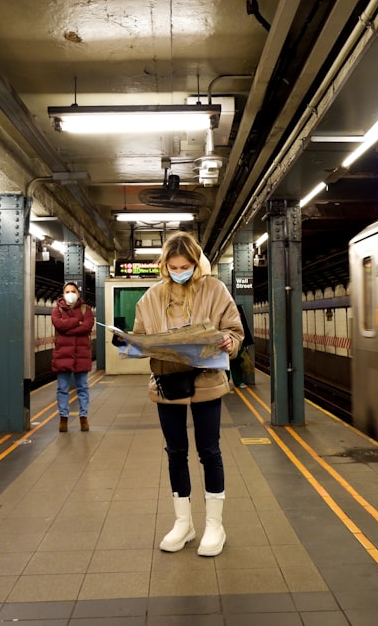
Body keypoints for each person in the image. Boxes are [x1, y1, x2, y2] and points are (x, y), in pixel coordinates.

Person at [132, 232, 243, 556]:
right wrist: (135, 345)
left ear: (196, 264)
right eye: (173, 265)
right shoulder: (151, 297)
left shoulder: (215, 290)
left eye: (186, 265)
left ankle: (214, 525)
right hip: (167, 383)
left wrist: (228, 341)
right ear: (164, 265)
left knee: (209, 451)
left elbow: (235, 332)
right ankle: (184, 523)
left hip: (207, 381)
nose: (180, 270)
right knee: (175, 451)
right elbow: (140, 337)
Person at [51, 281, 94, 432]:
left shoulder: (86, 309)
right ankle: (63, 418)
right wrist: (77, 322)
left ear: (78, 294)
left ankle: (83, 417)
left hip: (81, 355)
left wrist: (68, 328)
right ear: (63, 295)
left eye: (73, 291)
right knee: (62, 389)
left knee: (82, 387)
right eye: (67, 291)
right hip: (63, 356)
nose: (70, 294)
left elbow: (87, 326)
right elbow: (58, 324)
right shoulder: (57, 310)